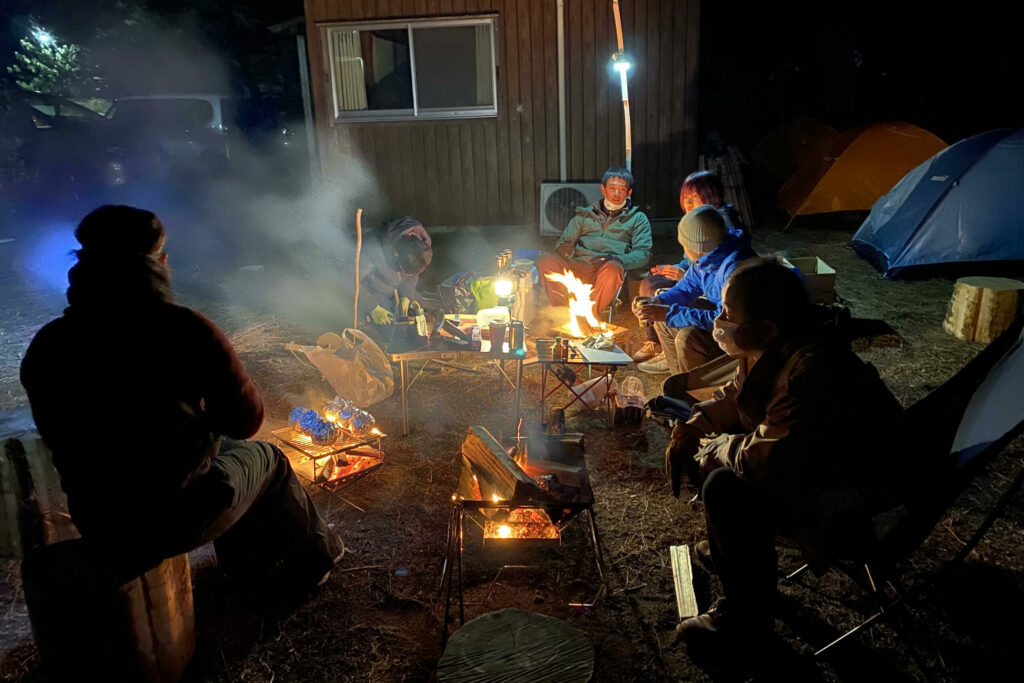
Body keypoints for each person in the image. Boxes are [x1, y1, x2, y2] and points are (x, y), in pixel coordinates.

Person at [20, 205, 344, 591]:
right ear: (158, 262)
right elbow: (246, 421)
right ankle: (317, 558)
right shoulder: (184, 329)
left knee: (223, 458)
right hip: (173, 518)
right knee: (268, 460)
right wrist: (203, 423)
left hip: (98, 520)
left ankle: (244, 565)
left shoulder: (49, 344)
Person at [664, 259, 903, 661]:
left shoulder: (810, 373)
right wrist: (692, 427)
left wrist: (710, 449)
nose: (719, 322)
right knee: (728, 461)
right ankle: (733, 551)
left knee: (724, 489)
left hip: (853, 496)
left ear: (766, 326)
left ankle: (745, 625)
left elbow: (764, 460)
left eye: (727, 314)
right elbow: (734, 395)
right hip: (811, 466)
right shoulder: (771, 347)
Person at [633, 170, 750, 364]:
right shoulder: (705, 258)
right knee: (663, 314)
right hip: (720, 314)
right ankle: (676, 373)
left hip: (739, 334)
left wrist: (669, 313)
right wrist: (658, 302)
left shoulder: (733, 270)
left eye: (692, 199)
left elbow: (724, 320)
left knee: (686, 337)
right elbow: (686, 288)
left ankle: (692, 386)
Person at [536, 167, 652, 316]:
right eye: (612, 188)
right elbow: (564, 243)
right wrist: (565, 251)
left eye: (622, 190)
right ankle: (561, 313)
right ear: (603, 189)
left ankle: (588, 316)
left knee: (613, 268)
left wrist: (617, 259)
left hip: (607, 268)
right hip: (579, 264)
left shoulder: (637, 218)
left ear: (629, 192)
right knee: (545, 260)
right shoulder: (585, 215)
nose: (616, 194)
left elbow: (643, 254)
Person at [356, 215, 432, 329]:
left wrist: (406, 296)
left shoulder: (423, 244)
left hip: (391, 289)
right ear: (396, 254)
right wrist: (372, 307)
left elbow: (412, 275)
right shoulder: (372, 248)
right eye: (405, 270)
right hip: (368, 289)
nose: (410, 275)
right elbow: (348, 280)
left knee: (427, 309)